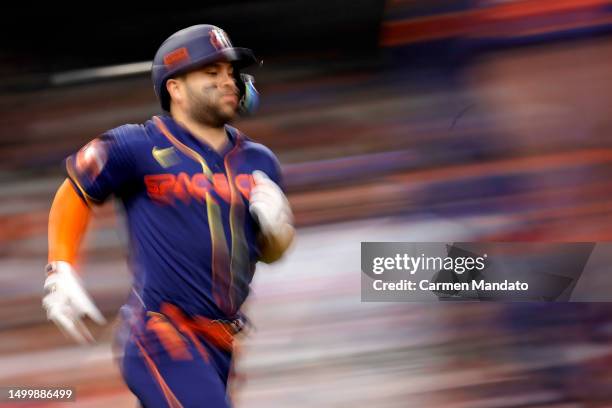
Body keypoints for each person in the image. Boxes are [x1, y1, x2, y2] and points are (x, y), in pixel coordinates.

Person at [42, 24, 294, 407]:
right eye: (212, 73)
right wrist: (61, 268)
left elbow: (270, 253)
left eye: (230, 72)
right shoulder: (136, 145)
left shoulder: (260, 161)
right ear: (174, 88)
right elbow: (75, 189)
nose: (228, 81)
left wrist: (278, 232)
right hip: (160, 335)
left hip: (222, 346)